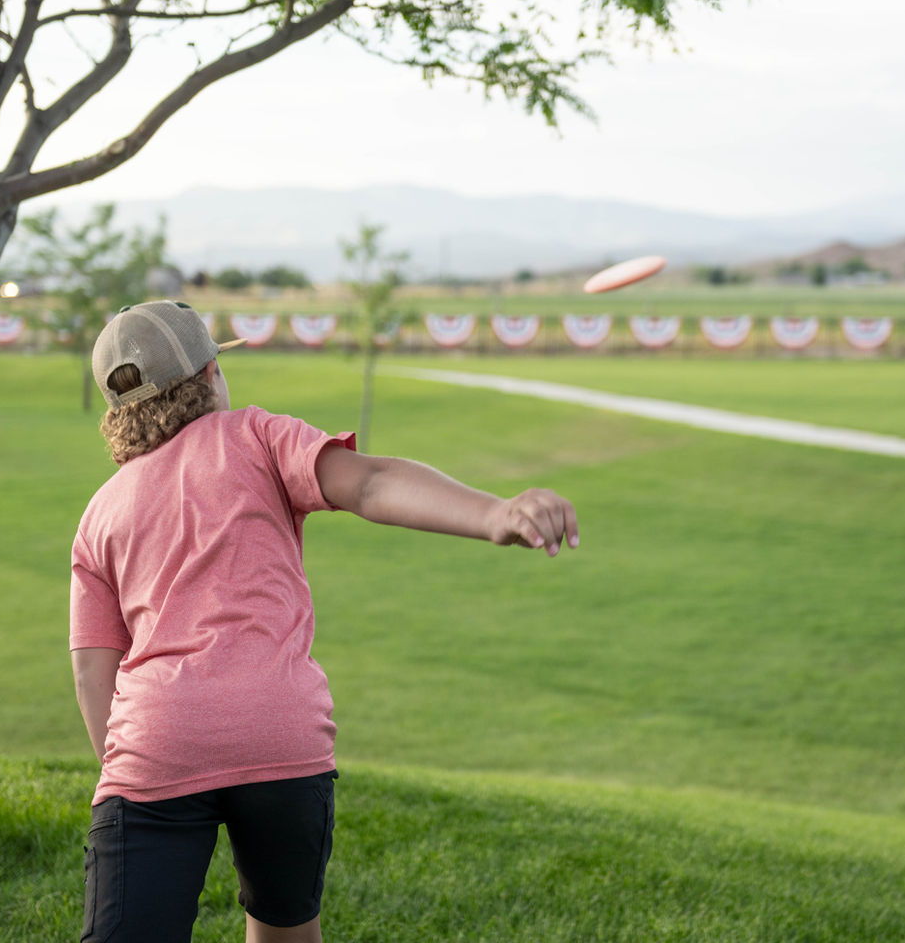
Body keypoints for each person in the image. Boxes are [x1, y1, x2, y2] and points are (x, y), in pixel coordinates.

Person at [69, 300, 577, 943]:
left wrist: (127, 779)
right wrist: (496, 513)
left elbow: (94, 670)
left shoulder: (100, 512)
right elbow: (369, 484)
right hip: (282, 737)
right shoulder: (256, 436)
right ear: (207, 376)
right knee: (285, 935)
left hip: (156, 743)